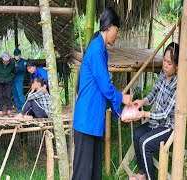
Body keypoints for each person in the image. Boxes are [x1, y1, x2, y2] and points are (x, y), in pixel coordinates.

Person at [72, 8, 133, 180]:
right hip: (86, 122)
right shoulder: (96, 49)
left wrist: (118, 109)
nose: (117, 35)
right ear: (109, 26)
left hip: (92, 122)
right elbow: (106, 86)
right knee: (82, 175)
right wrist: (123, 98)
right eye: (117, 31)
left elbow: (102, 89)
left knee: (93, 174)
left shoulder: (101, 50)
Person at [123, 42, 179, 180]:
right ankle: (142, 173)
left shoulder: (179, 84)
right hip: (156, 122)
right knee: (137, 134)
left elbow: (165, 113)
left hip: (169, 127)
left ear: (177, 66)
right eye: (164, 61)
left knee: (145, 143)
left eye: (169, 63)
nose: (165, 65)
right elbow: (153, 93)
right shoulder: (163, 74)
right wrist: (142, 102)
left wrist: (144, 113)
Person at [12, 49, 27, 113]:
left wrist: (17, 66)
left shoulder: (24, 61)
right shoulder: (12, 61)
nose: (16, 56)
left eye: (17, 55)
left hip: (19, 79)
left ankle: (24, 109)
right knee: (15, 95)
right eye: (15, 55)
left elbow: (24, 70)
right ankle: (19, 109)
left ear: (20, 55)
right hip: (13, 79)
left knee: (20, 94)